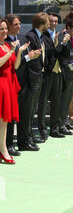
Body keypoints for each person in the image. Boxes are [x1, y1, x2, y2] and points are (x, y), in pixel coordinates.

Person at [17, 13, 49, 151]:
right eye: (48, 22)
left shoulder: (41, 36)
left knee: (32, 111)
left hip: (38, 78)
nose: (49, 25)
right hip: (31, 79)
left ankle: (29, 135)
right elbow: (27, 59)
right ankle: (25, 140)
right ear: (42, 24)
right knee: (27, 111)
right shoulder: (30, 36)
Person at [0, 18, 29, 164]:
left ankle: (3, 148)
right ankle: (4, 150)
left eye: (5, 28)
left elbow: (15, 66)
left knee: (4, 121)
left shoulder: (6, 45)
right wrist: (11, 50)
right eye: (1, 29)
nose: (4, 31)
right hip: (1, 85)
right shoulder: (6, 47)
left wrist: (20, 52)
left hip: (9, 84)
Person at [37, 12, 63, 140]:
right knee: (43, 102)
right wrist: (58, 44)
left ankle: (54, 129)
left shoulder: (61, 35)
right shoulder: (44, 35)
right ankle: (42, 130)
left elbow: (62, 52)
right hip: (47, 72)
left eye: (55, 21)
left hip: (58, 71)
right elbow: (50, 51)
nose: (53, 23)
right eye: (51, 21)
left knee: (56, 101)